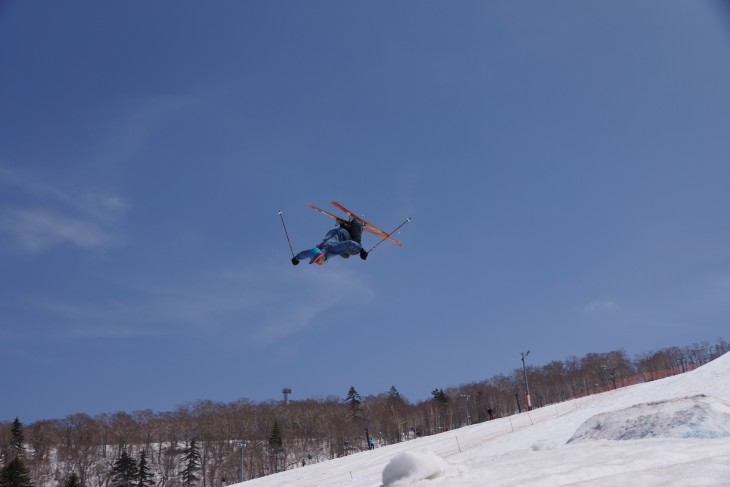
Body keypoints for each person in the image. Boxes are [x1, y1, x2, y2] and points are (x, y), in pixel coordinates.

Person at [292, 218, 368, 265]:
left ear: (321, 255)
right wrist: (296, 258)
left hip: (342, 233)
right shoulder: (316, 250)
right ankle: (343, 224)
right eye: (315, 261)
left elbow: (350, 243)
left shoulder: (332, 248)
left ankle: (356, 223)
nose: (317, 263)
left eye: (317, 260)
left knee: (355, 251)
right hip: (332, 234)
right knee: (346, 256)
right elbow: (305, 254)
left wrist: (361, 251)